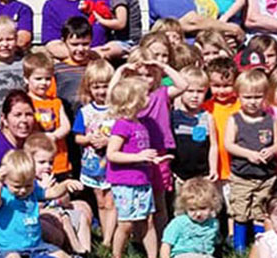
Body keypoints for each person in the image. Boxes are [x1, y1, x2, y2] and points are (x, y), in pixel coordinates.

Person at [106, 77, 169, 258]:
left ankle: (152, 255)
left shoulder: (140, 124)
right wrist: (138, 157)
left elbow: (140, 151)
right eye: (145, 95)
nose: (148, 98)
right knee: (126, 223)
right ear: (133, 99)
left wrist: (152, 159)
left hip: (142, 179)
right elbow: (112, 153)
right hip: (125, 182)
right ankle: (116, 254)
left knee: (147, 221)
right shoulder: (122, 125)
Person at [224, 69, 277, 251]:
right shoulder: (235, 119)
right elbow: (228, 144)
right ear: (238, 96)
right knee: (240, 210)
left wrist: (271, 150)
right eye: (247, 97)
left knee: (260, 210)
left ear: (265, 96)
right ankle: (239, 246)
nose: (252, 102)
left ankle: (259, 244)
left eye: (257, 97)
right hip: (242, 175)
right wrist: (248, 153)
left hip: (265, 176)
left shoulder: (269, 119)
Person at [0, 150, 73, 258]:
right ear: (6, 181)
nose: (23, 190)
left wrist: (65, 185)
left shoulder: (33, 192)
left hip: (36, 246)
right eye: (17, 187)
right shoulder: (4, 195)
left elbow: (52, 192)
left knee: (62, 255)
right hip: (10, 249)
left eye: (28, 185)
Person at [72, 59, 116, 246]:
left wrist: (108, 141)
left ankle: (108, 239)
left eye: (105, 86)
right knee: (100, 200)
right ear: (89, 87)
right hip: (92, 163)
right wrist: (89, 139)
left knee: (111, 201)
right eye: (96, 87)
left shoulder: (117, 111)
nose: (101, 92)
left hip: (112, 161)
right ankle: (105, 233)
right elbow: (77, 137)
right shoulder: (85, 111)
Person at [24, 52, 72, 177]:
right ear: (26, 78)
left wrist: (54, 136)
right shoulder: (25, 102)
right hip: (36, 162)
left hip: (58, 160)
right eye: (38, 79)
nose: (44, 83)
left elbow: (65, 126)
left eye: (48, 78)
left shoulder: (56, 102)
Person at [170, 66, 217, 192]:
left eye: (200, 91)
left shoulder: (208, 117)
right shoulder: (173, 116)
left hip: (202, 175)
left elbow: (213, 146)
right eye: (190, 91)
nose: (195, 96)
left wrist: (213, 168)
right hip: (179, 176)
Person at [160, 177, 221, 258]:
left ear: (212, 205)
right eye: (192, 209)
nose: (198, 214)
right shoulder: (179, 223)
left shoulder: (213, 223)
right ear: (185, 207)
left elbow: (214, 242)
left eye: (203, 208)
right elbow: (166, 244)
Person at [0, 90, 37, 164]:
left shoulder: (32, 146)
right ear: (4, 119)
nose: (24, 120)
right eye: (18, 115)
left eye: (28, 114)